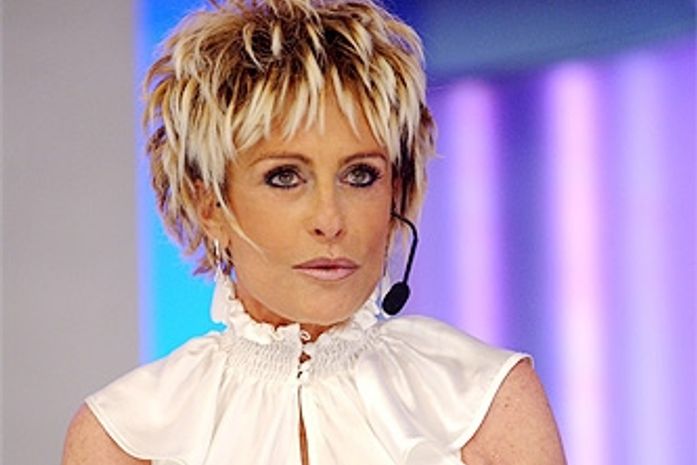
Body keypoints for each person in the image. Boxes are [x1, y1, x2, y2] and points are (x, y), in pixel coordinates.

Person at [62, 0, 566, 464]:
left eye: (360, 175)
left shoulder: (483, 401)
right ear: (209, 203)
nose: (330, 219)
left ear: (396, 192)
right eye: (285, 177)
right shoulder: (124, 434)